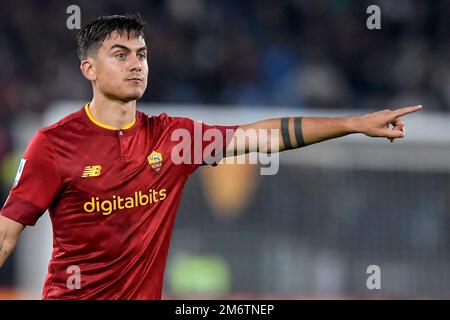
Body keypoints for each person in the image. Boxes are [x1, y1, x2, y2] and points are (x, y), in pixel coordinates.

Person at [0, 14, 422, 299]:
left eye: (142, 55)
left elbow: (265, 138)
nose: (136, 65)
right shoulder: (54, 144)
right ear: (88, 69)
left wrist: (350, 123)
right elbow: (6, 235)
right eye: (121, 55)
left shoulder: (172, 138)